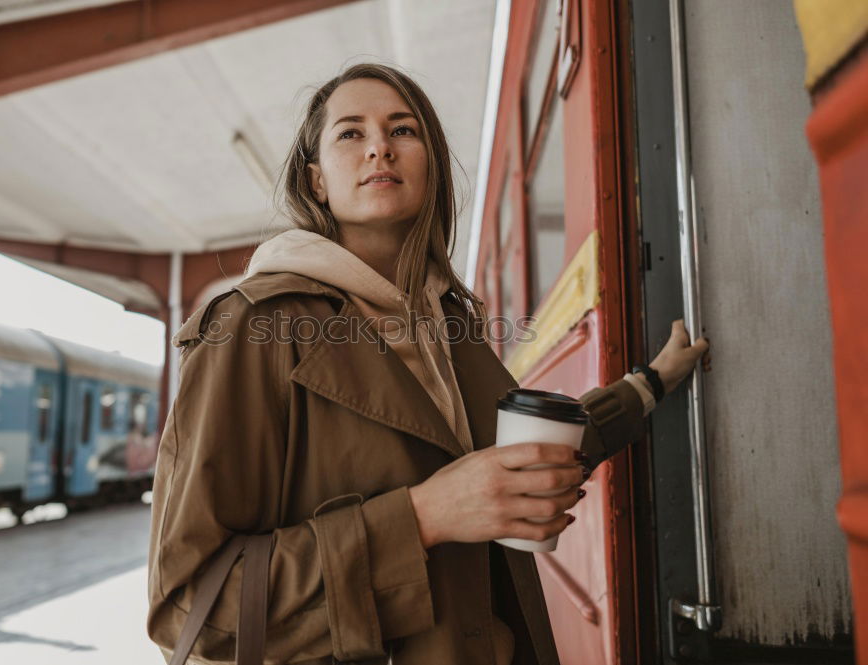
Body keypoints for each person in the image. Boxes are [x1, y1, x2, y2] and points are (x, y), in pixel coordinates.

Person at [146, 63, 708, 665]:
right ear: (316, 182)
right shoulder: (252, 325)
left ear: (430, 167)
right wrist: (422, 518)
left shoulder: (447, 321)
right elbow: (190, 610)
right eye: (350, 133)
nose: (379, 147)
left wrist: (648, 385)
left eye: (403, 130)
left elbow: (512, 461)